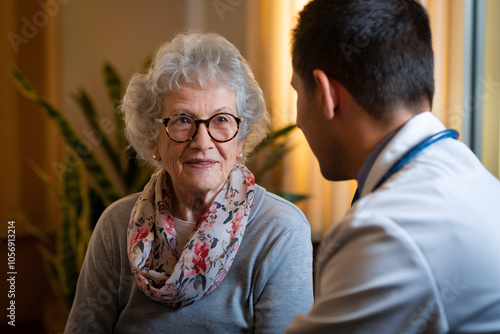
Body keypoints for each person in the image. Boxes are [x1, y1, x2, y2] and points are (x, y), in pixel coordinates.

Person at [65, 32, 313, 333]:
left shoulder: (279, 230)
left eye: (221, 120)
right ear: (152, 138)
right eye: (182, 120)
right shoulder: (116, 224)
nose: (202, 141)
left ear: (242, 141)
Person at [286, 0, 500, 333]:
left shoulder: (385, 231)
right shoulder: (479, 183)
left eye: (297, 93)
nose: (298, 120)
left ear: (328, 94)